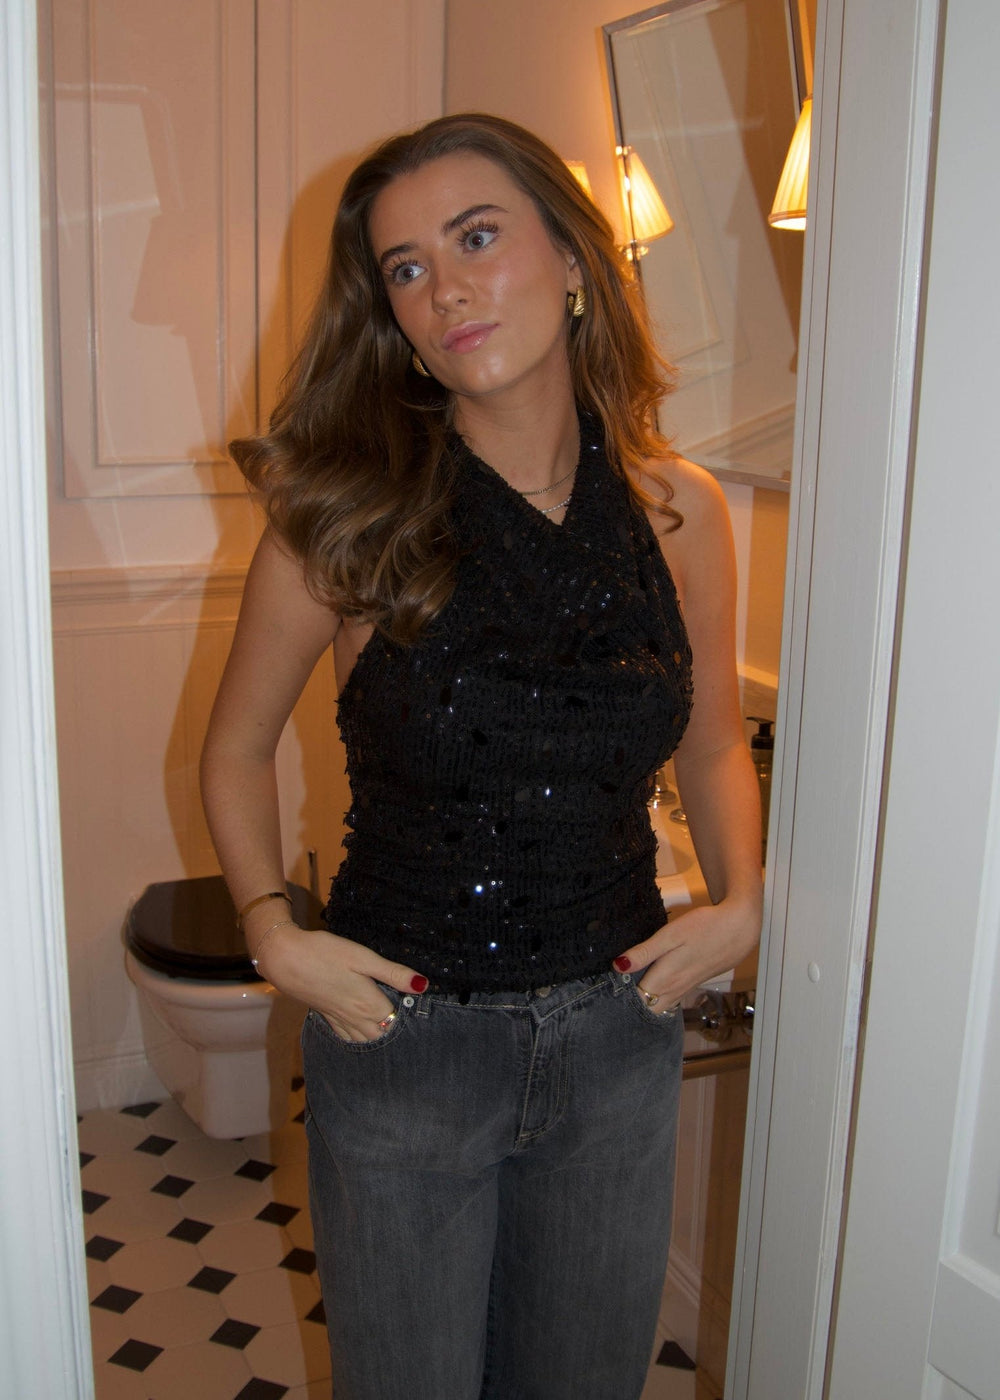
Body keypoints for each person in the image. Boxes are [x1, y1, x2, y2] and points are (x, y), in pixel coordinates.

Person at [200, 112, 762, 1400]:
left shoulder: (678, 512)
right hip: (405, 1041)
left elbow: (714, 739)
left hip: (620, 1036)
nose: (444, 288)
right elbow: (233, 753)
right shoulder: (344, 523)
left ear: (572, 257)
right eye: (405, 268)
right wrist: (274, 934)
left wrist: (745, 900)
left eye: (476, 237)